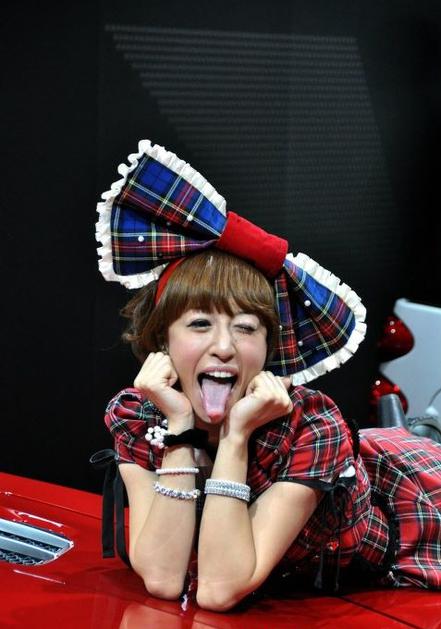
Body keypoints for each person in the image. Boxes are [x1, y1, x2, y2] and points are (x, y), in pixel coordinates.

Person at [95, 140, 441, 612]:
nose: (224, 346)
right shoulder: (141, 416)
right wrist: (180, 431)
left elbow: (219, 589)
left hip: (421, 516)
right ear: (163, 341)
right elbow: (162, 577)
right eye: (200, 324)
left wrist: (235, 437)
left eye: (245, 328)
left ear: (268, 348)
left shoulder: (311, 427)